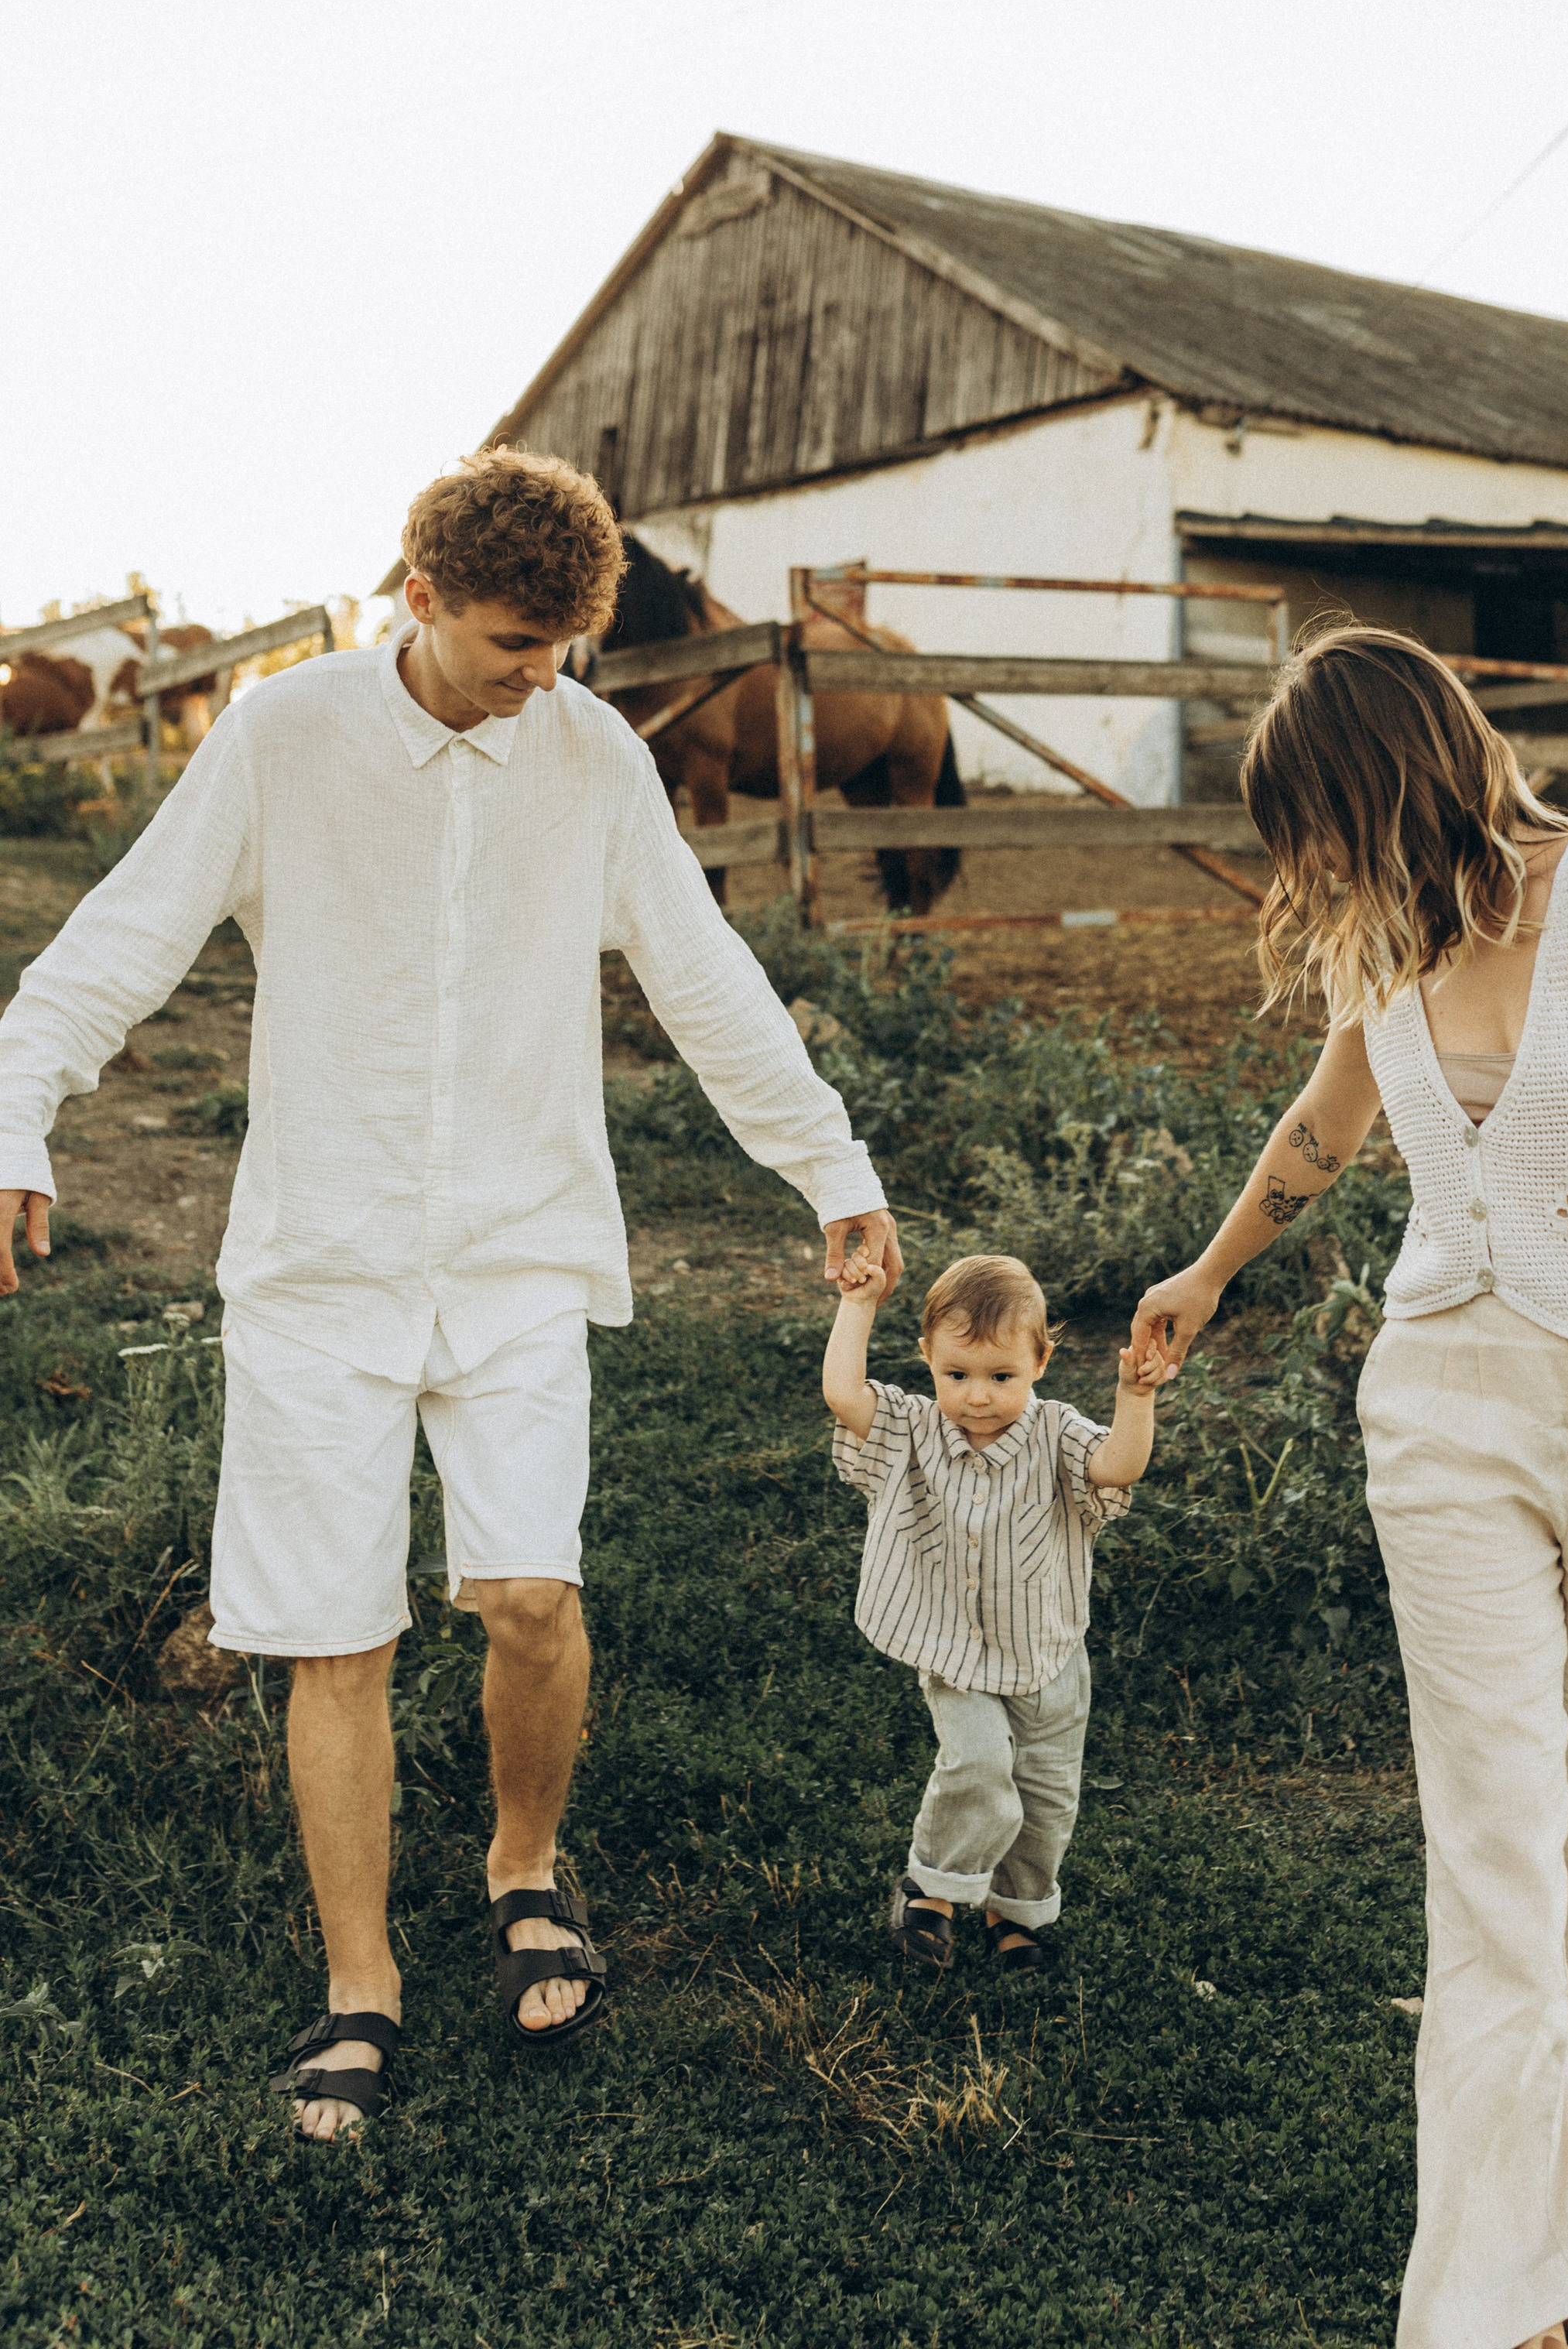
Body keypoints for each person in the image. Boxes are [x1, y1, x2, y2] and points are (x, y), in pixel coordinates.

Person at [0, 450, 900, 2140]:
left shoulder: (595, 755)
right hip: (318, 1264)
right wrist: (15, 1108)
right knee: (336, 1636)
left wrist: (830, 1168)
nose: (536, 680)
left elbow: (703, 979)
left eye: (562, 651)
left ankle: (523, 1862)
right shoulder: (279, 740)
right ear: (415, 598)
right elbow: (124, 937)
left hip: (517, 1248)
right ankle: (361, 1982)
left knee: (532, 1595)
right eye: (509, 647)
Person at [1129, 627, 1568, 2349]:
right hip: (1442, 1409)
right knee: (1493, 1841)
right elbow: (1322, 1133)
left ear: (1392, 782)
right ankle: (1486, 2292)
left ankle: (1555, 2139)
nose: (1310, 872)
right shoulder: (1380, 951)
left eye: (1319, 829)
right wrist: (1205, 1272)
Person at [823, 1248, 1162, 1973]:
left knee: (1044, 1798)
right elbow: (846, 1398)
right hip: (957, 1650)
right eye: (958, 1375)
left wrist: (1135, 1398)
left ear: (1041, 1361)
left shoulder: (1059, 1434)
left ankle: (1016, 1912)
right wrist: (858, 1306)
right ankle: (934, 1890)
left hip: (1048, 1654)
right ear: (928, 1360)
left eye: (1001, 1376)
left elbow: (1117, 1469)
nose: (978, 1395)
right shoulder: (911, 1428)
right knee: (978, 1767)